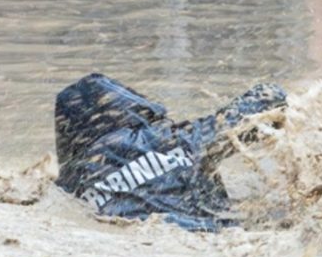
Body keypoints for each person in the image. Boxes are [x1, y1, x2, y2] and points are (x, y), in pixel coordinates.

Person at [54, 73, 286, 231]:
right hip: (209, 238)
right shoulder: (169, 139)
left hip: (141, 242)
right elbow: (271, 99)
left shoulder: (74, 183)